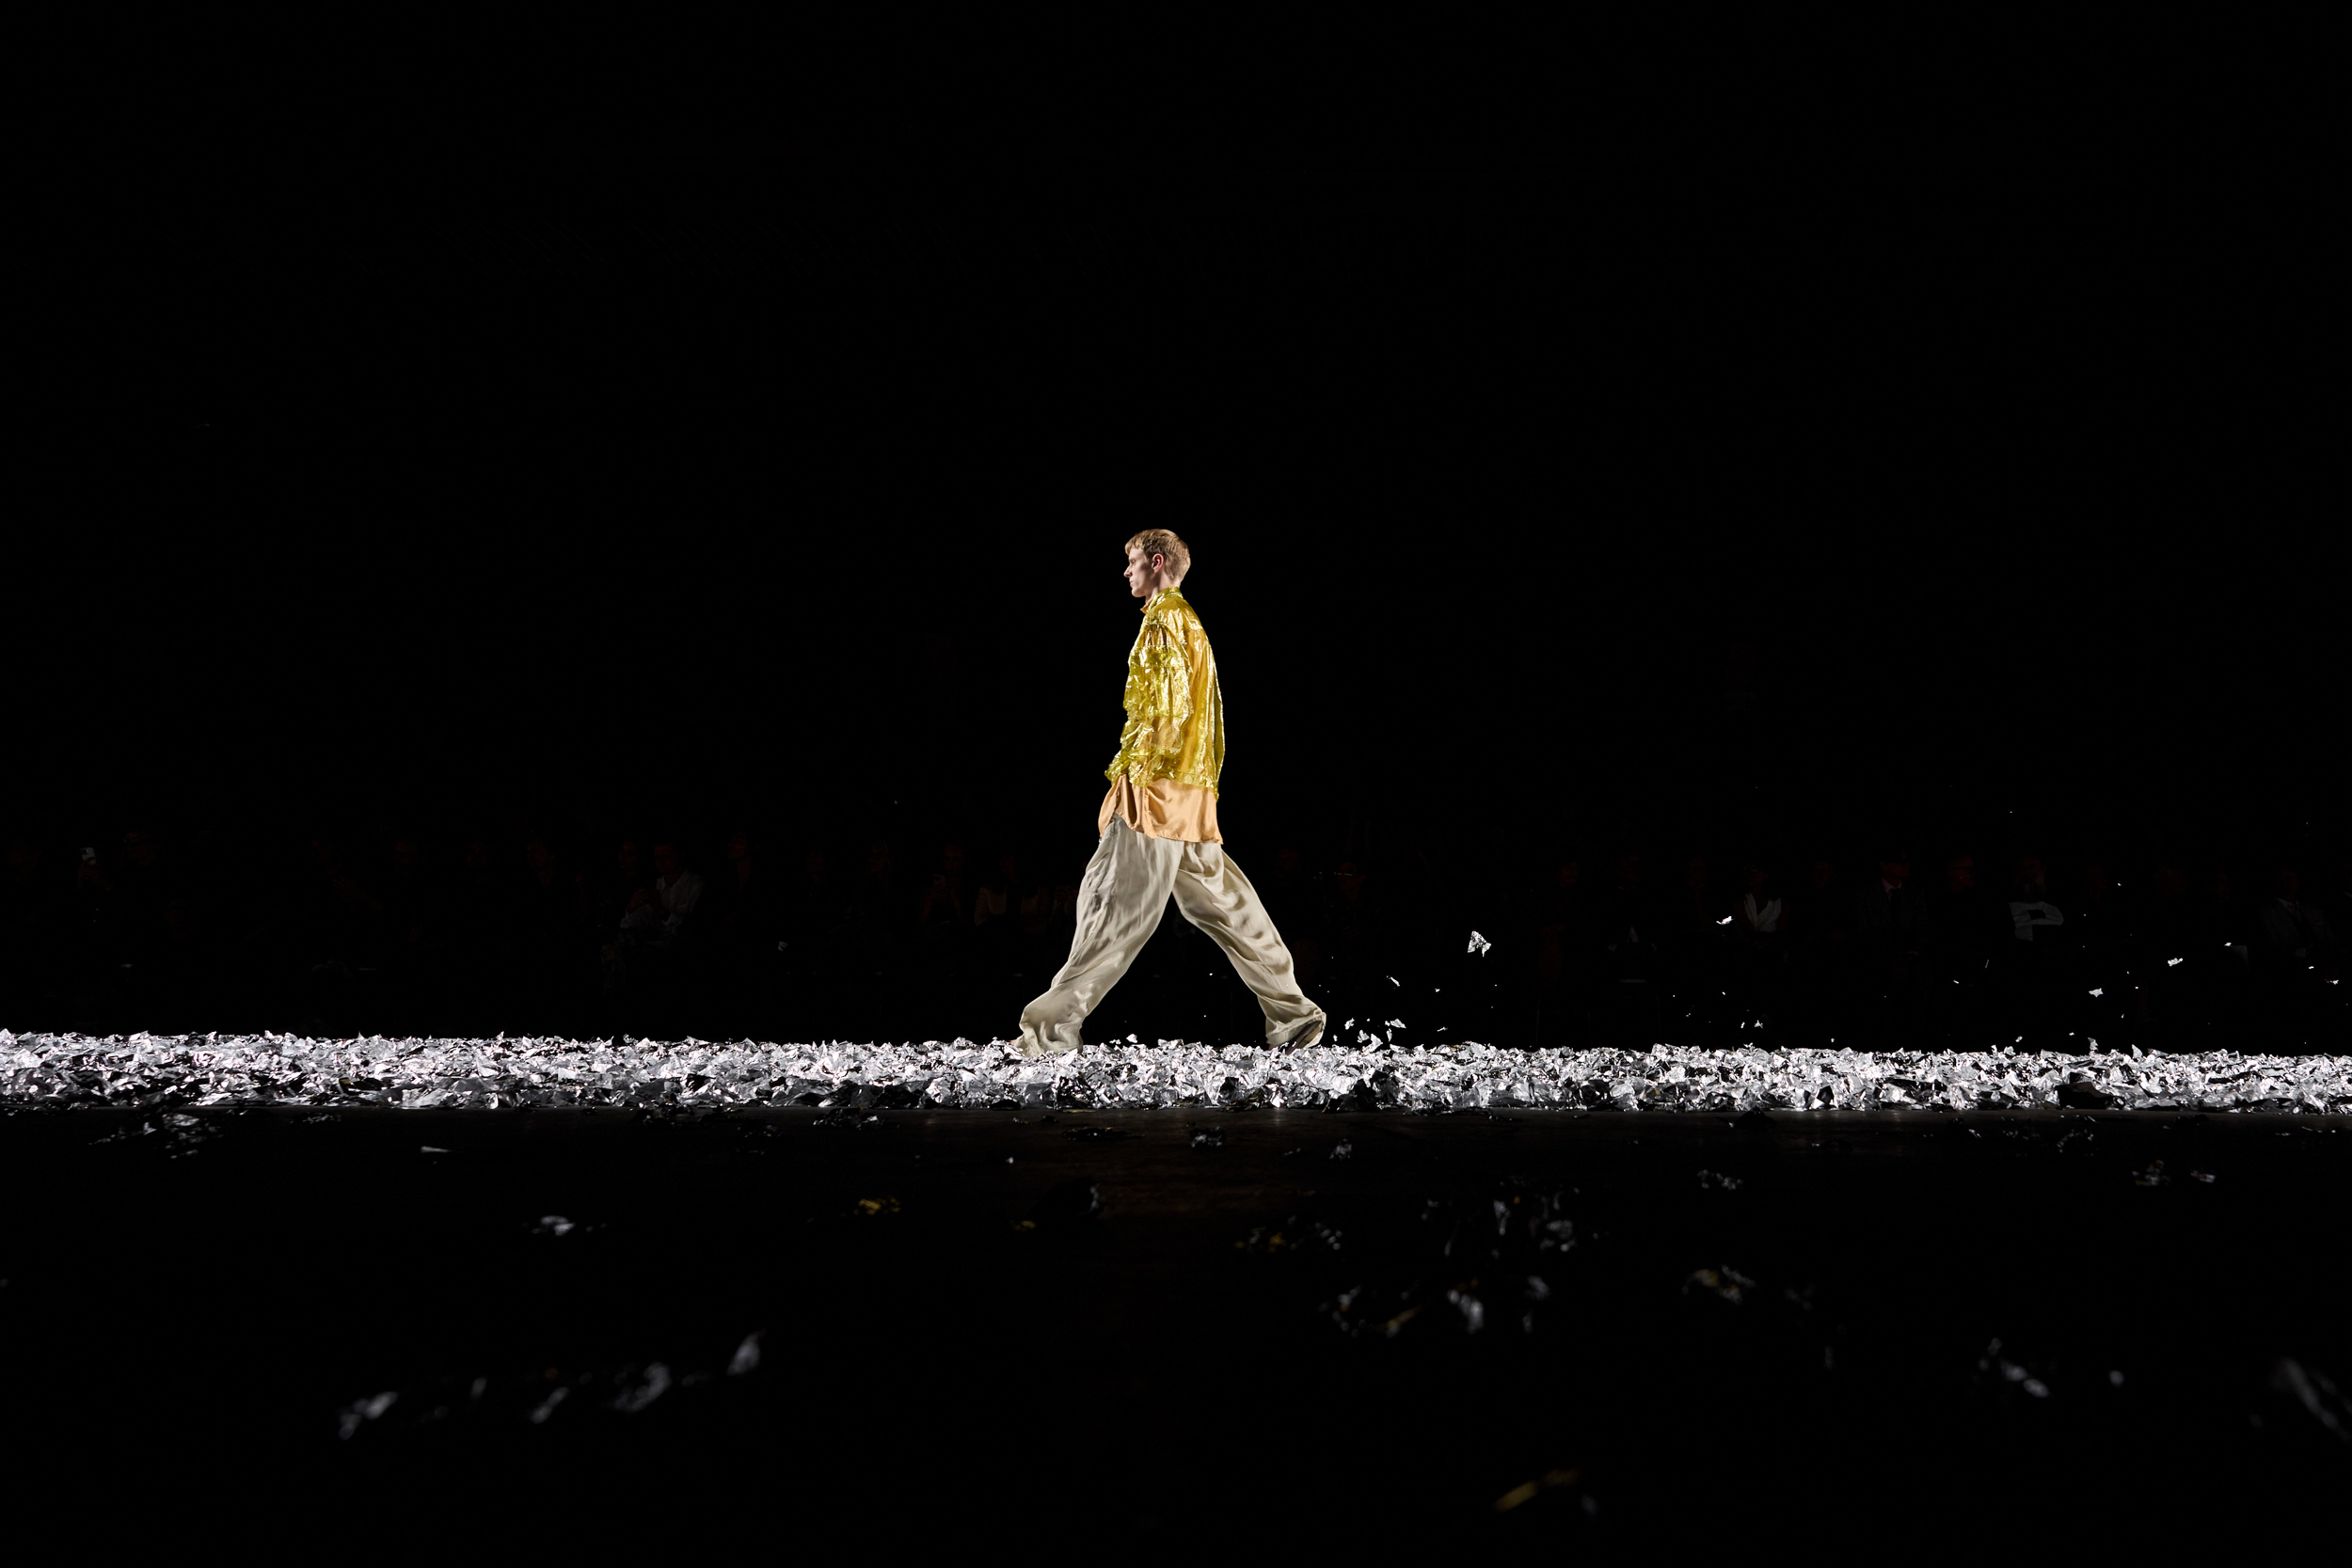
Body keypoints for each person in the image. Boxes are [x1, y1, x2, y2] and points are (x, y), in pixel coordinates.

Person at [1016, 529, 1325, 1056]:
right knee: (1231, 908)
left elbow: (1165, 708)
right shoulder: (1193, 624)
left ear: (1156, 562)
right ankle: (1295, 1018)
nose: (1126, 572)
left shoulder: (1163, 620)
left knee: (1110, 907)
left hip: (1155, 792)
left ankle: (1049, 1032)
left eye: (1132, 562)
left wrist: (1129, 780)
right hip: (1191, 791)